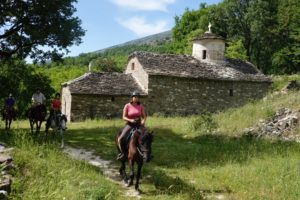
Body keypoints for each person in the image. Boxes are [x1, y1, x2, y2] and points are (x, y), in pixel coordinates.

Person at [117, 91, 147, 161]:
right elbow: (123, 117)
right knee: (121, 138)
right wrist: (130, 120)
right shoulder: (127, 105)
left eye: (138, 97)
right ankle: (123, 153)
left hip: (139, 124)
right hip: (130, 124)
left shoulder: (140, 106)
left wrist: (143, 121)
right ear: (132, 98)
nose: (136, 98)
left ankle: (146, 153)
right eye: (135, 97)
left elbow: (144, 116)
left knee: (147, 137)